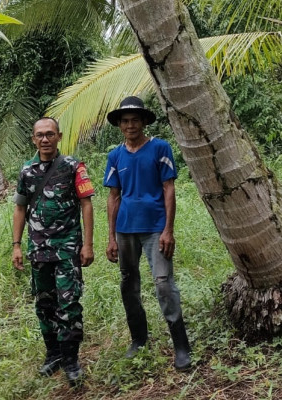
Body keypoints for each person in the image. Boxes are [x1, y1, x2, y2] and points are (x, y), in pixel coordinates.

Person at [103, 96, 192, 372]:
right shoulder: (115, 156)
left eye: (135, 120)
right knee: (129, 283)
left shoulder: (159, 148)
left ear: (143, 122)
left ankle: (181, 345)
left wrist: (168, 229)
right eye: (125, 121)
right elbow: (113, 196)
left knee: (164, 283)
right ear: (120, 125)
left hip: (155, 228)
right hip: (125, 229)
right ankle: (138, 339)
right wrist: (110, 237)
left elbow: (169, 188)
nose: (130, 125)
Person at [12, 117, 95, 386]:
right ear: (33, 139)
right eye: (40, 135)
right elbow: (20, 209)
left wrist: (88, 244)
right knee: (44, 303)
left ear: (59, 136)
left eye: (50, 134)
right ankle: (54, 354)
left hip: (67, 248)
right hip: (38, 250)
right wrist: (16, 246)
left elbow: (86, 205)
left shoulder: (73, 167)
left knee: (69, 304)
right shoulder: (26, 171)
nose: (45, 139)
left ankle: (71, 360)